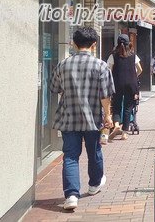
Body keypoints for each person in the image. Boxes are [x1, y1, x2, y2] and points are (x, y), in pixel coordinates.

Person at [50, 27, 115, 211]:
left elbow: (54, 88)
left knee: (70, 156)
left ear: (73, 44)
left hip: (68, 118)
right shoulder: (101, 66)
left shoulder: (63, 65)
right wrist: (108, 115)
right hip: (92, 118)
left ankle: (71, 195)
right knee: (94, 152)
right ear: (94, 45)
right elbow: (105, 95)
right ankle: (94, 184)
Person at [107, 34, 141, 140]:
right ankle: (125, 133)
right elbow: (140, 69)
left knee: (116, 105)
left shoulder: (113, 56)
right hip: (131, 84)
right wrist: (133, 76)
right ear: (128, 43)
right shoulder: (133, 55)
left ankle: (117, 125)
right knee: (128, 107)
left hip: (117, 83)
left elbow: (109, 71)